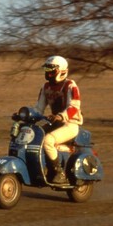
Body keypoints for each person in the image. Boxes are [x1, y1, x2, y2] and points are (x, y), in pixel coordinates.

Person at [34, 55, 83, 184]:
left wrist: (61, 116)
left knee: (48, 140)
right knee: (35, 136)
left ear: (61, 71)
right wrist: (27, 116)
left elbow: (74, 107)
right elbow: (39, 108)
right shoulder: (45, 87)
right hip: (55, 122)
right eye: (47, 71)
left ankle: (58, 172)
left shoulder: (70, 85)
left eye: (52, 71)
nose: (48, 74)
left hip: (70, 123)